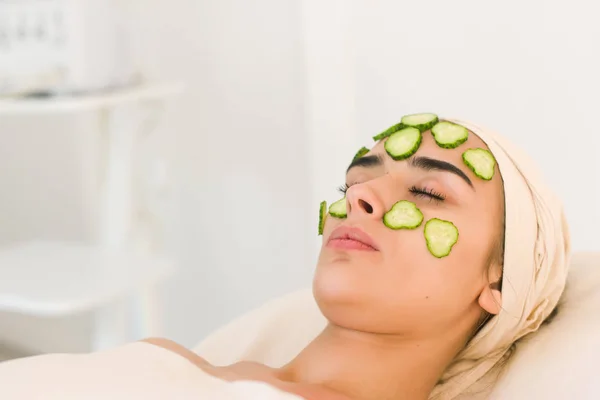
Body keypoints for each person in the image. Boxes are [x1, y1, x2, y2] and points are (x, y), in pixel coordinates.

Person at [0, 116, 570, 400]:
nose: (358, 199)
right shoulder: (161, 359)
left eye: (428, 193)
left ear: (502, 278)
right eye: (355, 183)